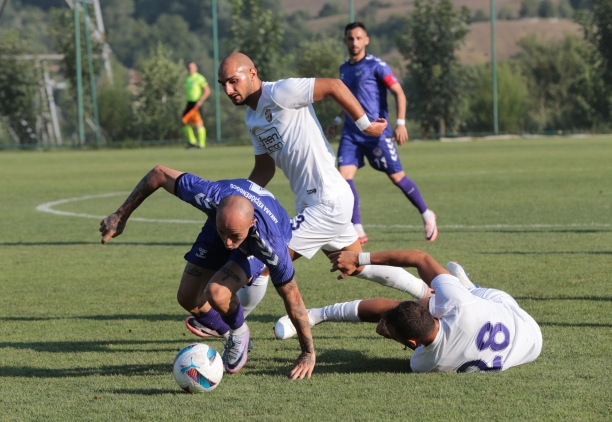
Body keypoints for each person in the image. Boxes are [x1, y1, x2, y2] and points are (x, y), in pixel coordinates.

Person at [185, 52, 433, 344]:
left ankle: (234, 328)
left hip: (327, 201)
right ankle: (426, 293)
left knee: (266, 257)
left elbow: (334, 86)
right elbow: (264, 168)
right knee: (356, 264)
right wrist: (235, 202)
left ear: (252, 73)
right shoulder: (253, 118)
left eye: (233, 81)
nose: (228, 90)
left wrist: (365, 124)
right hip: (315, 203)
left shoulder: (280, 92)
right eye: (223, 83)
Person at [99, 165, 315, 380]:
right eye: (224, 234)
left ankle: (239, 333)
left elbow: (293, 298)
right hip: (224, 221)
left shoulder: (271, 245)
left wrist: (308, 352)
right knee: (188, 298)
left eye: (234, 236)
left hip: (257, 241)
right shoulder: (209, 196)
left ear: (251, 223)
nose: (228, 243)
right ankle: (234, 334)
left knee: (217, 292)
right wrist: (120, 216)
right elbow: (159, 174)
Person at [274, 251, 542, 373]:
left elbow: (419, 259)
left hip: (518, 333)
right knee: (453, 294)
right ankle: (466, 285)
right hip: (524, 330)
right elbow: (420, 258)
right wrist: (360, 258)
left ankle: (317, 314)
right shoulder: (456, 311)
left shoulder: (422, 363)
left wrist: (391, 329)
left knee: (404, 307)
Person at [325, 22, 437, 244]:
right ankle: (357, 228)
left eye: (358, 38)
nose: (354, 42)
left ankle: (426, 214)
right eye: (350, 38)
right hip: (351, 132)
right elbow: (347, 101)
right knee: (344, 177)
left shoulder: (377, 66)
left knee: (397, 177)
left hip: (376, 132)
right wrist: (337, 121)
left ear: (366, 40)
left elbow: (399, 93)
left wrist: (401, 123)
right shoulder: (343, 69)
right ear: (345, 41)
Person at [183, 62, 210, 149]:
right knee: (184, 122)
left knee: (198, 123)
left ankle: (201, 145)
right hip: (189, 103)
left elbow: (207, 91)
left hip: (196, 103)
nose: (190, 69)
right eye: (189, 67)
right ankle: (192, 142)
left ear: (196, 68)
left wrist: (201, 100)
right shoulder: (188, 78)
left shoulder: (199, 78)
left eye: (192, 67)